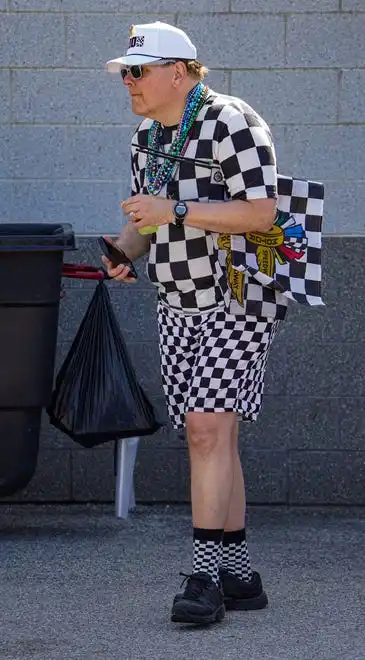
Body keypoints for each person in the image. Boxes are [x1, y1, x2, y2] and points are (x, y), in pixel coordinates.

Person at [103, 21, 282, 626]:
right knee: (214, 437)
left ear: (177, 72)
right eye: (125, 72)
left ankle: (204, 576)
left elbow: (261, 212)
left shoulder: (231, 121)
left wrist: (174, 208)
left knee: (206, 429)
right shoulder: (144, 139)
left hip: (239, 296)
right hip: (177, 301)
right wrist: (124, 252)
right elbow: (146, 223)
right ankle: (239, 575)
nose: (128, 82)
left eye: (138, 71)